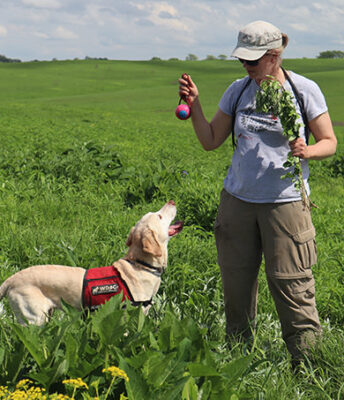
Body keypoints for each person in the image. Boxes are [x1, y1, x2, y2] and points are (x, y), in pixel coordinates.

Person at [178, 20, 337, 366]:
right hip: (237, 203)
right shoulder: (237, 91)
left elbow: (330, 143)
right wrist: (195, 106)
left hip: (285, 203)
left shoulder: (303, 89)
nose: (247, 67)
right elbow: (210, 141)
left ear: (275, 55)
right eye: (243, 61)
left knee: (292, 287)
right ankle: (238, 365)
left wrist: (307, 151)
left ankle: (307, 367)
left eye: (254, 60)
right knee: (235, 287)